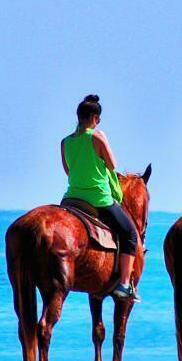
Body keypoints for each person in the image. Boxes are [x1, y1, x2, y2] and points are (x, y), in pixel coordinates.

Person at [61, 94, 140, 301]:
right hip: (98, 198)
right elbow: (112, 165)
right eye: (98, 120)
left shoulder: (65, 142)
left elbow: (68, 171)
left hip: (71, 198)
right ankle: (124, 284)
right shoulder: (97, 137)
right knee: (131, 234)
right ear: (95, 118)